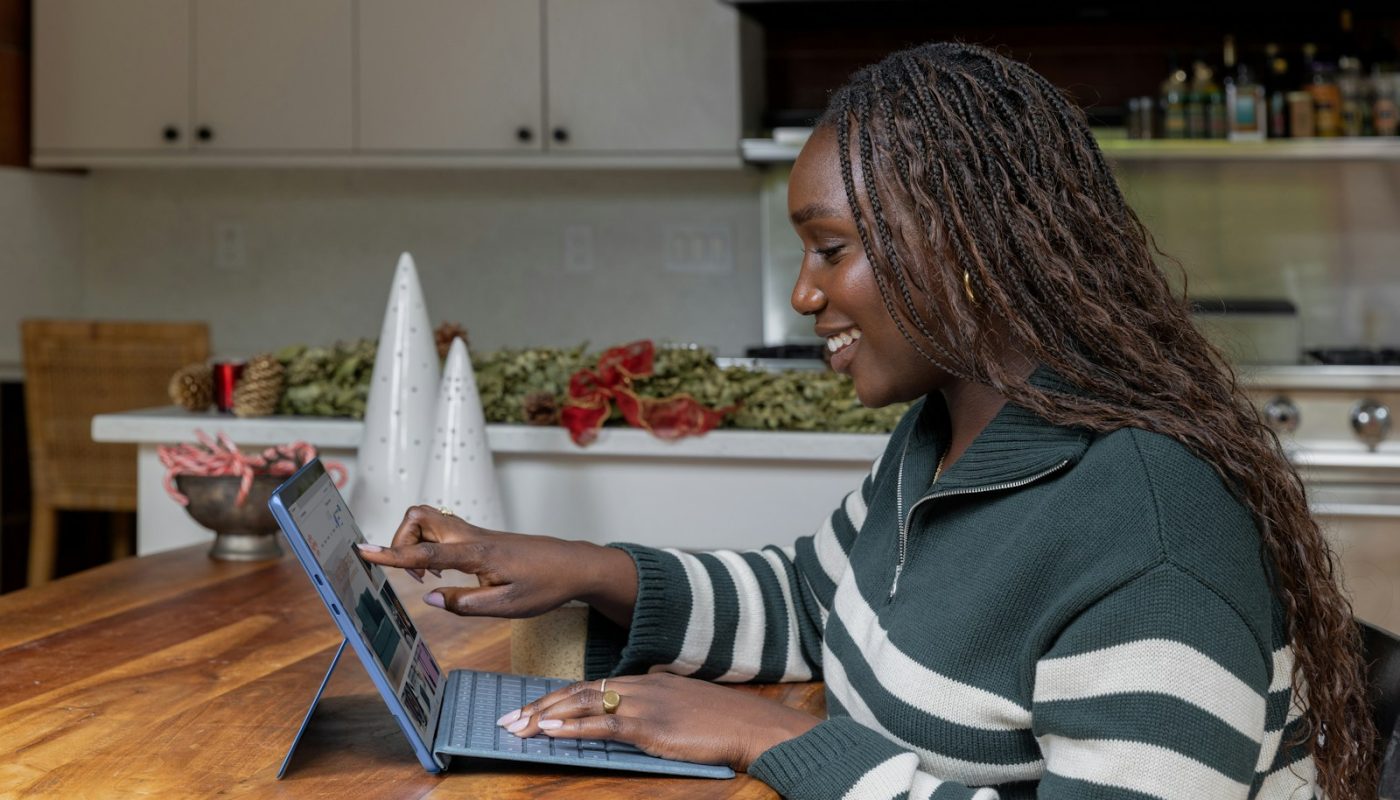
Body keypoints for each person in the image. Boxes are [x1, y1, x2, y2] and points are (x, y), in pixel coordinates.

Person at [357, 42, 1376, 799]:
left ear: (965, 247)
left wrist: (769, 737)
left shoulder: (1146, 522)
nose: (803, 294)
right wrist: (590, 568)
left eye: (829, 246)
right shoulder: (940, 439)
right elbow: (820, 598)